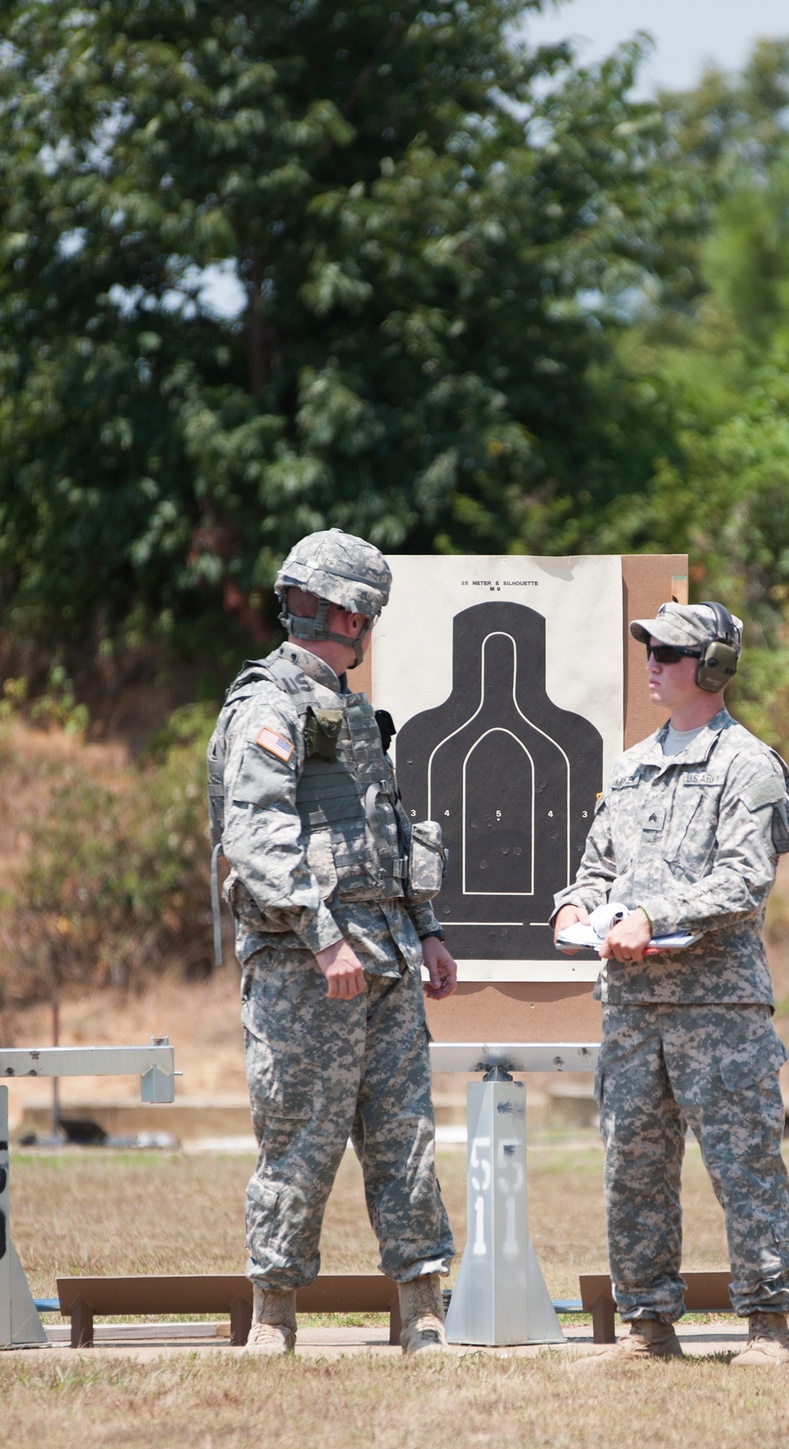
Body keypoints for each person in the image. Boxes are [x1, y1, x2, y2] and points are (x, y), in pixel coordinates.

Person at [207, 528, 456, 1355]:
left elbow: (383, 832)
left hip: (385, 963)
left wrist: (428, 929)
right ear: (346, 612)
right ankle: (273, 1315)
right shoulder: (266, 705)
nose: (370, 629)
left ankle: (423, 1306)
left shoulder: (347, 709)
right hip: (306, 972)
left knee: (405, 1138)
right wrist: (322, 939)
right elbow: (258, 838)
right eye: (367, 614)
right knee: (299, 1142)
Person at [552, 601, 789, 1367]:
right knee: (633, 1164)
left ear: (714, 667)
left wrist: (653, 913)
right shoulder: (630, 767)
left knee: (743, 1163)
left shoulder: (747, 765)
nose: (653, 660)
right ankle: (648, 1325)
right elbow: (599, 867)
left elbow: (742, 880)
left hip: (717, 1006)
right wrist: (574, 905)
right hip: (632, 1008)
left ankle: (768, 1325)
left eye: (670, 650)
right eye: (649, 647)